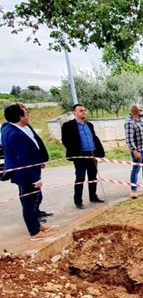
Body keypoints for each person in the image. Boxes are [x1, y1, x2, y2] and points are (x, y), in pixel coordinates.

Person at [1, 103, 56, 240]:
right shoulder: (16, 134)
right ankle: (34, 232)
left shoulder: (9, 127)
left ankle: (36, 225)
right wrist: (35, 179)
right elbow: (23, 160)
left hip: (27, 171)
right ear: (20, 117)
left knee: (33, 201)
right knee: (29, 204)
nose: (28, 115)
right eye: (26, 113)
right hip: (26, 175)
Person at [61, 103, 106, 208]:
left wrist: (98, 152)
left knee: (93, 176)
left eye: (84, 110)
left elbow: (94, 138)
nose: (84, 112)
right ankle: (78, 201)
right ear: (75, 112)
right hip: (80, 155)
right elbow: (65, 141)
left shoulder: (89, 125)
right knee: (80, 178)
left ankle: (93, 196)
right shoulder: (68, 125)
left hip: (92, 154)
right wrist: (75, 152)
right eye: (81, 110)